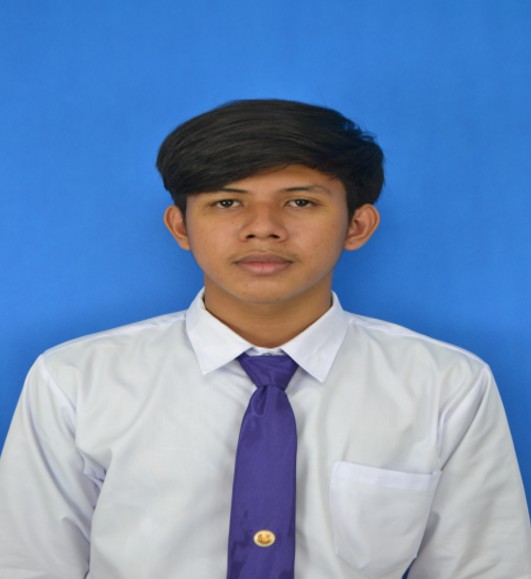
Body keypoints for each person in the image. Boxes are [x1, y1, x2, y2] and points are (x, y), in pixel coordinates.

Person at [0, 99, 530, 579]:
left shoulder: (446, 385)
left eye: (299, 202)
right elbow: (27, 564)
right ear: (181, 227)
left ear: (357, 225)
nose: (263, 228)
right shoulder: (74, 380)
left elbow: (486, 568)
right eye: (227, 203)